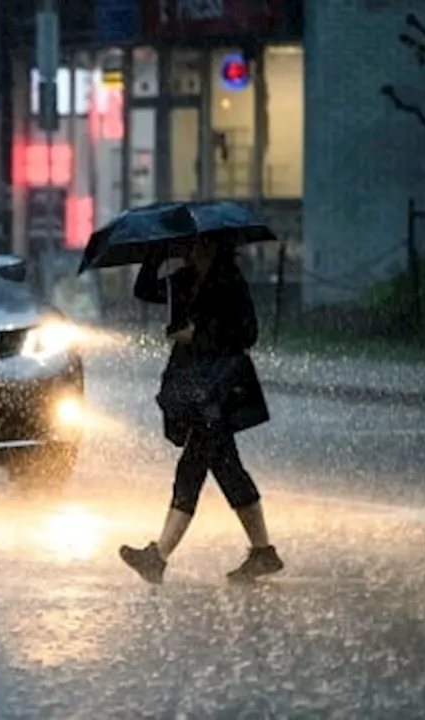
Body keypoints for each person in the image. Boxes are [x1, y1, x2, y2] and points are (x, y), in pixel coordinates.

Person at [119, 232, 284, 584]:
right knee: (228, 470)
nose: (191, 250)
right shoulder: (185, 278)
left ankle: (159, 556)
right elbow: (145, 291)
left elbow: (247, 334)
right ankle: (263, 553)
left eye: (198, 245)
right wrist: (153, 256)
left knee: (192, 467)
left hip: (220, 389)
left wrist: (200, 336)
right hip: (194, 388)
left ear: (215, 246)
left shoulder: (230, 282)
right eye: (189, 246)